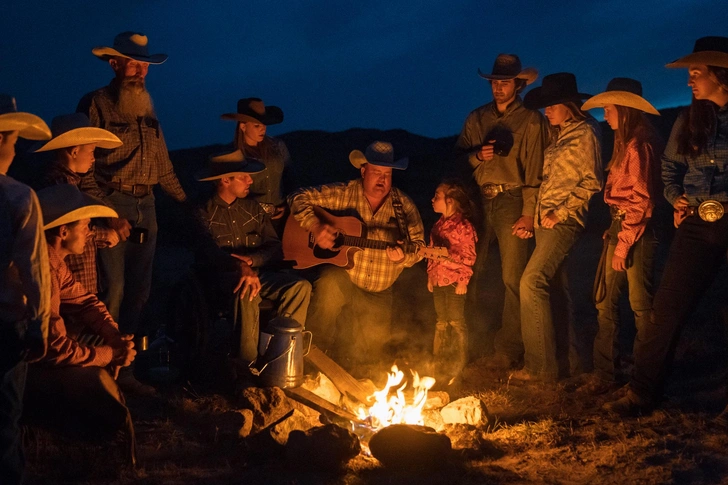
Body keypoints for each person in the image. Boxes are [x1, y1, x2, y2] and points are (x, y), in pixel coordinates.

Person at [604, 37, 728, 417]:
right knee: (666, 308)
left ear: (720, 76)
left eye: (696, 72)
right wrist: (675, 195)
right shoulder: (689, 120)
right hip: (693, 222)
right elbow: (670, 167)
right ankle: (643, 392)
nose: (689, 80)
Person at [76, 31, 186, 340]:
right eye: (134, 64)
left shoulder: (147, 108)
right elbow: (84, 167)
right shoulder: (95, 103)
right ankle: (102, 363)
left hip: (146, 206)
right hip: (111, 200)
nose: (142, 71)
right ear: (114, 64)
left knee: (140, 290)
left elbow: (164, 168)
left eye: (146, 65)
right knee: (113, 288)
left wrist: (185, 204)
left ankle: (127, 366)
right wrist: (108, 214)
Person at [287, 141, 425, 367]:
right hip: (346, 279)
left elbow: (419, 246)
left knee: (368, 359)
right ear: (363, 171)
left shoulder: (404, 206)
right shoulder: (345, 193)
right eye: (376, 172)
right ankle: (310, 359)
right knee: (329, 285)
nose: (382, 179)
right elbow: (297, 196)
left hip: (379, 290)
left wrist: (404, 257)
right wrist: (315, 226)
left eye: (387, 174)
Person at [29, 184, 137, 465]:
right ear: (63, 232)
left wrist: (113, 337)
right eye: (86, 225)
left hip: (38, 358)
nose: (90, 232)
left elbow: (86, 302)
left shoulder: (56, 263)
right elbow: (54, 349)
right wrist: (110, 354)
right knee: (95, 386)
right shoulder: (40, 272)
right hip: (25, 368)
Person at [455, 53, 549, 370]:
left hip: (512, 199)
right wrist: (476, 157)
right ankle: (466, 344)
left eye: (505, 82)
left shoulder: (532, 121)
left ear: (518, 85)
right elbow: (458, 160)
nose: (498, 87)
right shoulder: (476, 119)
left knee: (512, 277)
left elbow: (535, 169)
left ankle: (509, 349)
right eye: (495, 82)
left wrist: (528, 212)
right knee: (469, 271)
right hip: (480, 200)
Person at [513, 73, 602, 383]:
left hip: (564, 220)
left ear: (568, 105)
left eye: (551, 106)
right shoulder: (559, 135)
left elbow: (592, 181)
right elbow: (548, 181)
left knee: (531, 281)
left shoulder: (586, 133)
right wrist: (533, 219)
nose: (547, 111)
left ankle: (540, 367)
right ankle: (570, 362)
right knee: (555, 289)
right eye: (546, 107)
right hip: (544, 221)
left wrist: (560, 212)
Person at [579, 78, 664, 394]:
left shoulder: (639, 144)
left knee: (641, 305)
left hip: (636, 231)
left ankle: (645, 379)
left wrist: (623, 243)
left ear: (624, 110)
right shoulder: (624, 142)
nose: (605, 114)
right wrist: (614, 228)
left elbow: (641, 201)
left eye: (608, 107)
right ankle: (606, 375)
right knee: (605, 300)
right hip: (621, 227)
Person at [197, 150, 311, 363]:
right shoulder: (204, 213)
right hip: (222, 280)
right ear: (225, 180)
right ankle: (246, 365)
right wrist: (239, 266)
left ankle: (281, 356)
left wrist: (251, 261)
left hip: (259, 274)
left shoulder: (252, 209)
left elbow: (273, 246)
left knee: (300, 287)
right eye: (243, 176)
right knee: (247, 290)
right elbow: (209, 251)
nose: (250, 180)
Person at [0, 94, 51, 485]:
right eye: (14, 141)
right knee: (4, 417)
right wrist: (40, 324)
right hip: (6, 322)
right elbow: (33, 267)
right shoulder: (18, 197)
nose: (15, 150)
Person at [35, 113, 124, 295]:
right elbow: (65, 229)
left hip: (76, 278)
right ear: (75, 151)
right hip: (71, 279)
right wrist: (103, 234)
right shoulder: (60, 184)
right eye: (91, 152)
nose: (93, 159)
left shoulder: (69, 182)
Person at [427, 180, 477, 381]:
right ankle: (440, 359)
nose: (432, 200)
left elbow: (469, 255)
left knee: (456, 321)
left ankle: (460, 362)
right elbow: (431, 253)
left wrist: (464, 280)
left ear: (450, 201)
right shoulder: (437, 226)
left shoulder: (463, 226)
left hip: (455, 282)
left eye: (437, 196)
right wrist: (430, 275)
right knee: (441, 321)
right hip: (439, 281)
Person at [222, 98, 291, 226]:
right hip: (250, 219)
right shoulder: (233, 155)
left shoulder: (278, 147)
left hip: (282, 215)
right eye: (257, 125)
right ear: (243, 126)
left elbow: (289, 176)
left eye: (264, 124)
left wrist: (288, 203)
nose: (263, 129)